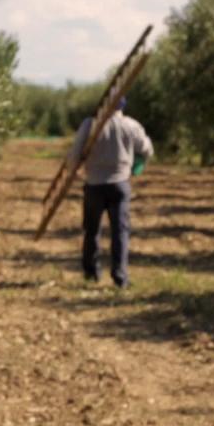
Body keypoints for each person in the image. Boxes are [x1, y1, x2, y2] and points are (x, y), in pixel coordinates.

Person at [65, 97, 153, 288]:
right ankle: (120, 277)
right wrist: (136, 165)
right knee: (120, 232)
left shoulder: (90, 124)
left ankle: (91, 274)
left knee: (92, 230)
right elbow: (147, 149)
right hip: (120, 184)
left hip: (94, 184)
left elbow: (73, 155)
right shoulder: (130, 125)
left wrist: (75, 172)